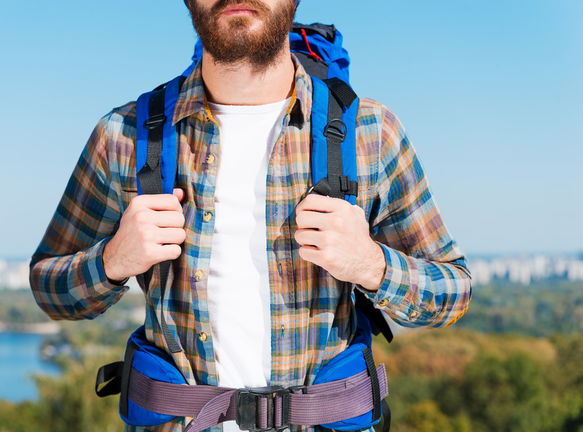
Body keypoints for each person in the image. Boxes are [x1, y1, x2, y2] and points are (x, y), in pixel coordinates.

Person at [29, 1, 473, 431]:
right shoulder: (123, 135)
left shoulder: (370, 133)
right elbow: (51, 288)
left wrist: (372, 265)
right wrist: (112, 261)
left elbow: (452, 292)